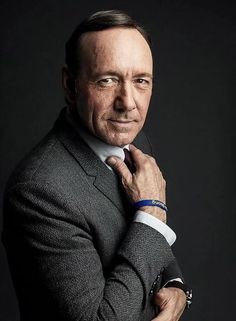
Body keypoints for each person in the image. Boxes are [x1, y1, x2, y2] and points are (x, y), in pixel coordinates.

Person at [2, 10, 192, 321]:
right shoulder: (38, 192)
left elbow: (150, 241)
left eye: (141, 81)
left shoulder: (135, 140)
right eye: (108, 80)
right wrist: (152, 211)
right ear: (69, 85)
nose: (128, 102)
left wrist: (176, 285)